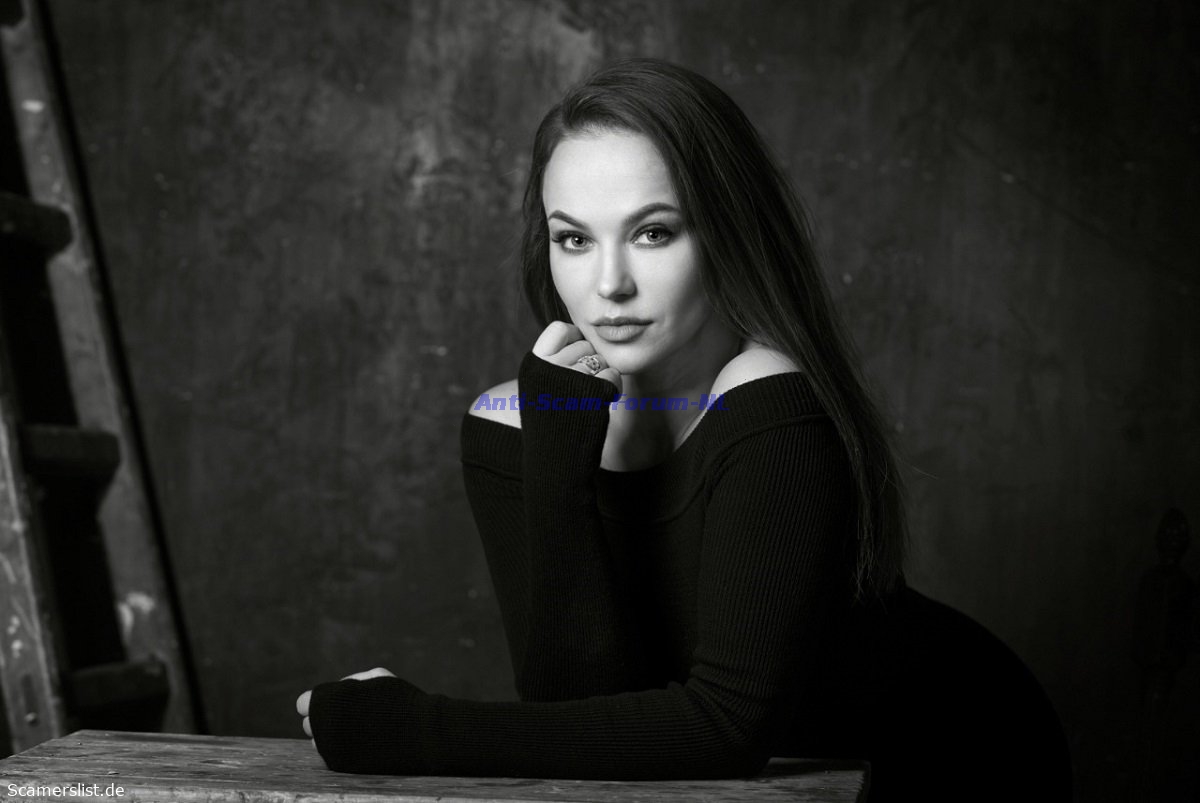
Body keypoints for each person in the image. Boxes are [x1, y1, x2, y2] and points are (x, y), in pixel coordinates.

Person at [295, 57, 1071, 800]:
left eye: (654, 232)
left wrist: (412, 730)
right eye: (574, 238)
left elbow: (723, 729)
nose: (609, 285)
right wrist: (559, 454)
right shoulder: (512, 422)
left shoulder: (769, 400)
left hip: (942, 756)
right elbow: (579, 714)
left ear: (724, 232)